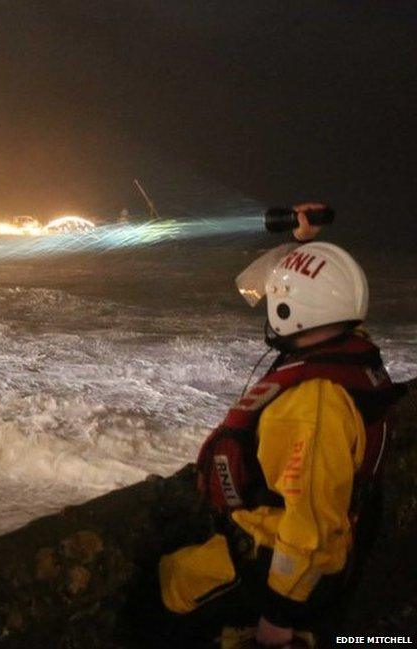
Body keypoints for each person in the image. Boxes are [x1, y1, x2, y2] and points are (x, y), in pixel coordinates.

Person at [155, 205, 404, 648]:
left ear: (294, 311)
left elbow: (308, 531)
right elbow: (329, 297)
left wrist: (277, 619)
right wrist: (306, 245)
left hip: (276, 568)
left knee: (170, 588)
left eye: (276, 303)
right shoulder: (351, 348)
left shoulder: (310, 405)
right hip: (330, 550)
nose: (270, 310)